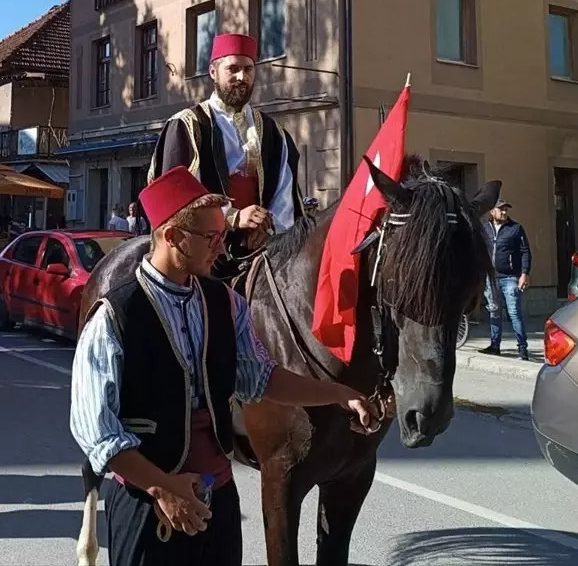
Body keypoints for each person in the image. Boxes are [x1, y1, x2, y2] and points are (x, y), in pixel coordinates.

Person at [70, 166, 381, 566]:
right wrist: (163, 488)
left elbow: (262, 378)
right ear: (172, 237)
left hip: (217, 500)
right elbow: (96, 431)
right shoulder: (113, 316)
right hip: (147, 504)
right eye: (211, 238)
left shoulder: (225, 303)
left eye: (222, 235)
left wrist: (341, 394)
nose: (222, 247)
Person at [147, 33, 304, 278]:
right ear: (213, 72)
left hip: (261, 246)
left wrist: (268, 225)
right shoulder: (187, 126)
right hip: (202, 249)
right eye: (233, 69)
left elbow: (285, 192)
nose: (242, 77)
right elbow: (174, 200)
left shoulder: (274, 132)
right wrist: (232, 217)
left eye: (249, 69)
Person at [480, 199, 532, 361]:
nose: (504, 212)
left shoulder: (515, 229)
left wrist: (524, 274)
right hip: (490, 277)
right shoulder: (484, 228)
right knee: (494, 312)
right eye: (500, 209)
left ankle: (522, 349)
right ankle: (495, 346)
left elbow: (525, 252)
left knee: (514, 313)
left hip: (510, 277)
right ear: (492, 211)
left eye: (505, 210)